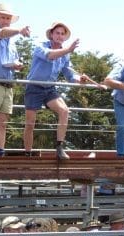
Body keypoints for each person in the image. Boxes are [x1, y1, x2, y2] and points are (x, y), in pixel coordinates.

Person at [23, 22, 89, 160]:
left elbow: (70, 75)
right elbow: (50, 55)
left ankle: (59, 148)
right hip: (33, 87)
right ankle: (27, 154)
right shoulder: (40, 46)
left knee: (64, 110)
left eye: (62, 34)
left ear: (65, 37)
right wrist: (68, 50)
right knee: (30, 123)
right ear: (51, 34)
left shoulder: (66, 54)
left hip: (49, 89)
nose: (59, 36)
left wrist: (80, 80)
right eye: (57, 33)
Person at [0, 3, 30, 157]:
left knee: (3, 120)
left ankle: (0, 151)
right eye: (3, 17)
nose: (6, 20)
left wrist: (17, 65)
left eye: (8, 18)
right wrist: (20, 30)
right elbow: (2, 33)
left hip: (8, 85)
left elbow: (13, 62)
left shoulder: (12, 44)